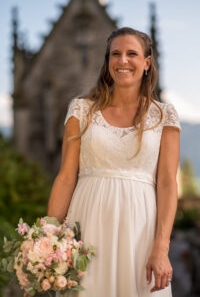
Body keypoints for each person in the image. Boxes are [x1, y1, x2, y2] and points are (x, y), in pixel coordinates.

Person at [47, 27, 181, 296]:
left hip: (140, 232)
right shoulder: (82, 109)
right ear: (107, 63)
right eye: (115, 54)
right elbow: (65, 177)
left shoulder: (164, 115)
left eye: (132, 53)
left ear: (147, 63)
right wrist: (48, 237)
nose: (122, 61)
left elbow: (167, 184)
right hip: (86, 225)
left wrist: (161, 248)